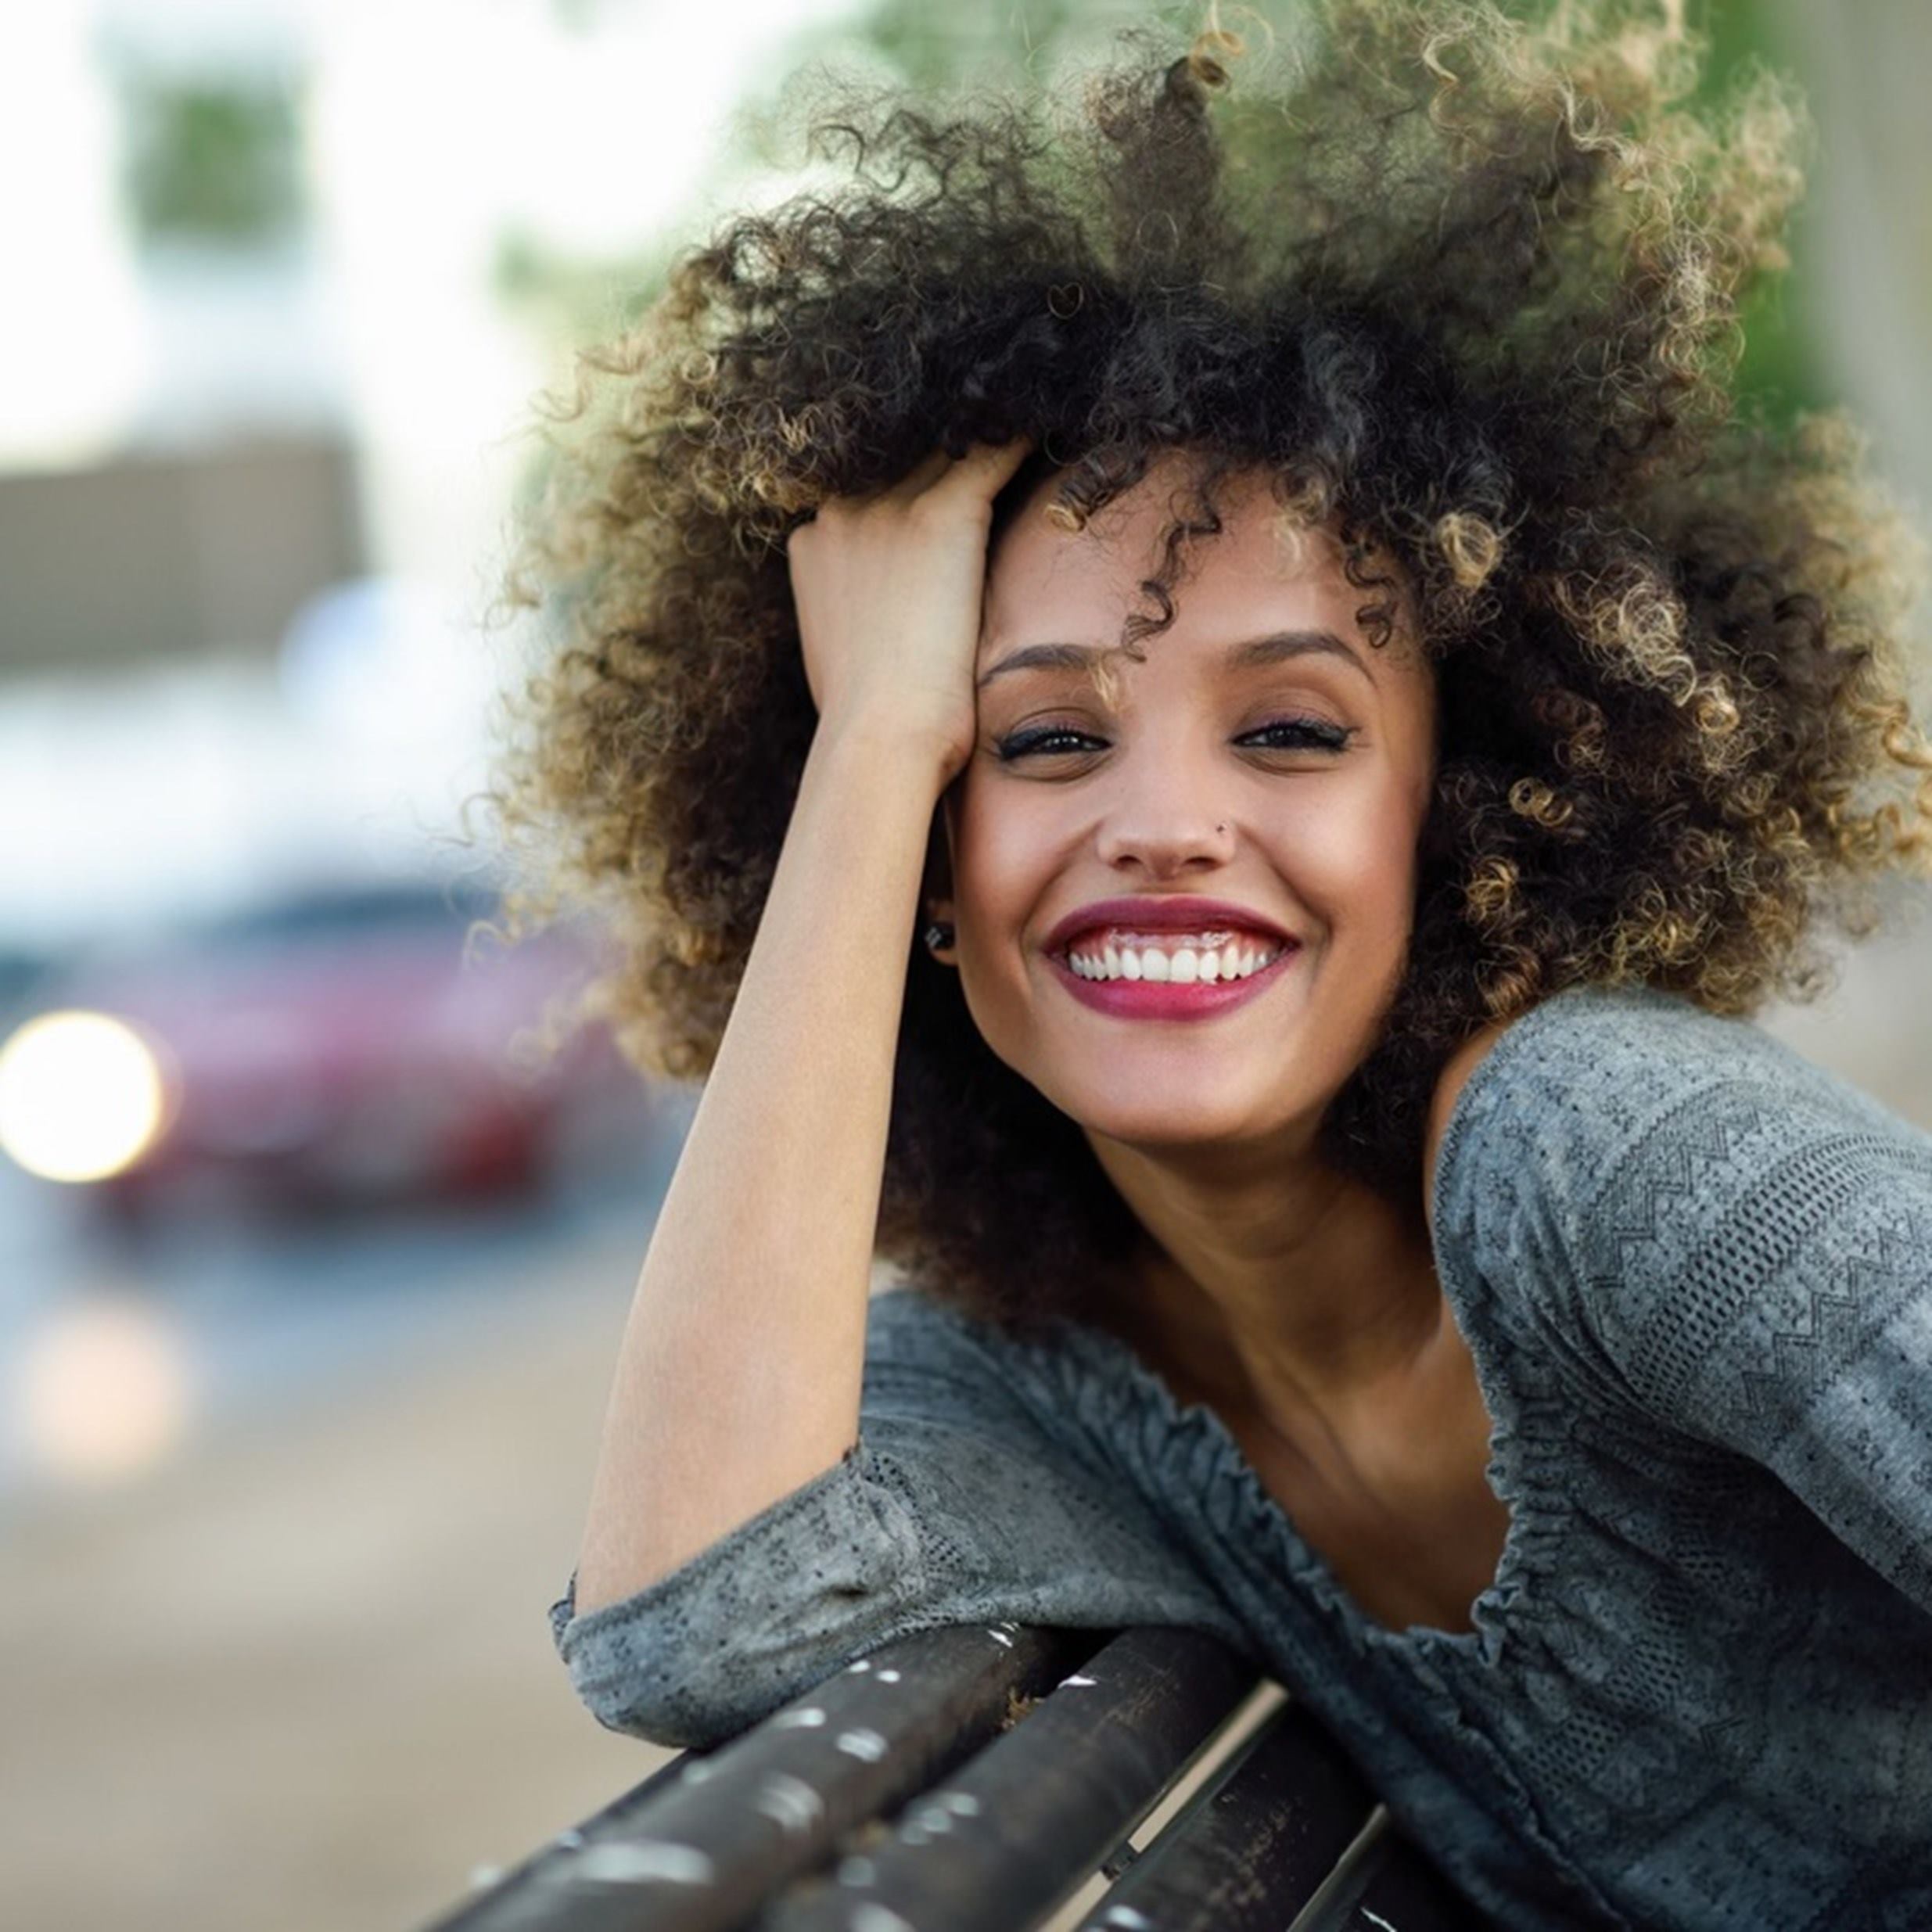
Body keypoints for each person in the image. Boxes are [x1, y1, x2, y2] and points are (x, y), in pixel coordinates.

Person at [500, 3, 1932, 1926]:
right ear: (931, 861)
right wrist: (871, 745)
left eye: (1289, 732)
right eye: (1038, 739)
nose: (1163, 821)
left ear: (1454, 808)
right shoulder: (1053, 1380)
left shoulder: (1609, 1159)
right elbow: (687, 1620)